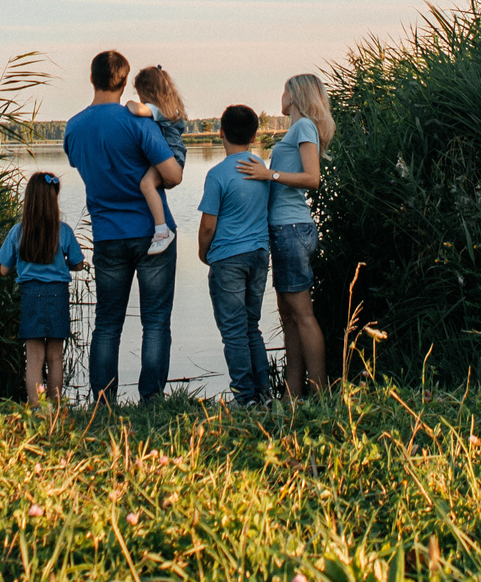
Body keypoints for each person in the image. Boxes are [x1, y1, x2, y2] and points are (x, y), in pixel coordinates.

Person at [61, 48, 184, 405]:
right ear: (125, 81)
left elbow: (80, 163)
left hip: (107, 234)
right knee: (155, 320)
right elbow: (173, 176)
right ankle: (151, 399)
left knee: (107, 322)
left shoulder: (74, 127)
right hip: (152, 232)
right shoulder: (138, 122)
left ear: (92, 78)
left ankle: (103, 401)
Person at [238, 72, 331, 402]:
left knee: (302, 315)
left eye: (284, 91)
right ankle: (292, 395)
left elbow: (312, 178)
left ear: (295, 96)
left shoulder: (304, 126)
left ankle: (320, 394)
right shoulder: (297, 129)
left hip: (292, 229)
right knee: (289, 316)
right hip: (283, 229)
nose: (281, 96)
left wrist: (269, 174)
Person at [196, 102, 274, 405]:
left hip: (228, 258)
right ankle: (264, 393)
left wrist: (203, 253)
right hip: (259, 254)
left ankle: (244, 397)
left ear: (221, 132)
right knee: (251, 325)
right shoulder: (261, 170)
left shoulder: (217, 174)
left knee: (233, 331)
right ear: (254, 136)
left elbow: (207, 226)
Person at [0, 171, 85, 406]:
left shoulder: (18, 231)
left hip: (30, 295)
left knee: (34, 358)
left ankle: (36, 406)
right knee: (55, 357)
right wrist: (63, 264)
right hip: (58, 295)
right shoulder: (64, 231)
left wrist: (22, 266)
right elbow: (78, 264)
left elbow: (3, 269)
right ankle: (55, 406)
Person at [124, 64, 190, 254]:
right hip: (174, 154)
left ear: (147, 92)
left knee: (146, 184)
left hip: (172, 156)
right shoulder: (168, 110)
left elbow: (138, 110)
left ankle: (162, 231)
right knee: (148, 184)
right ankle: (161, 229)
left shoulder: (159, 110)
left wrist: (128, 104)